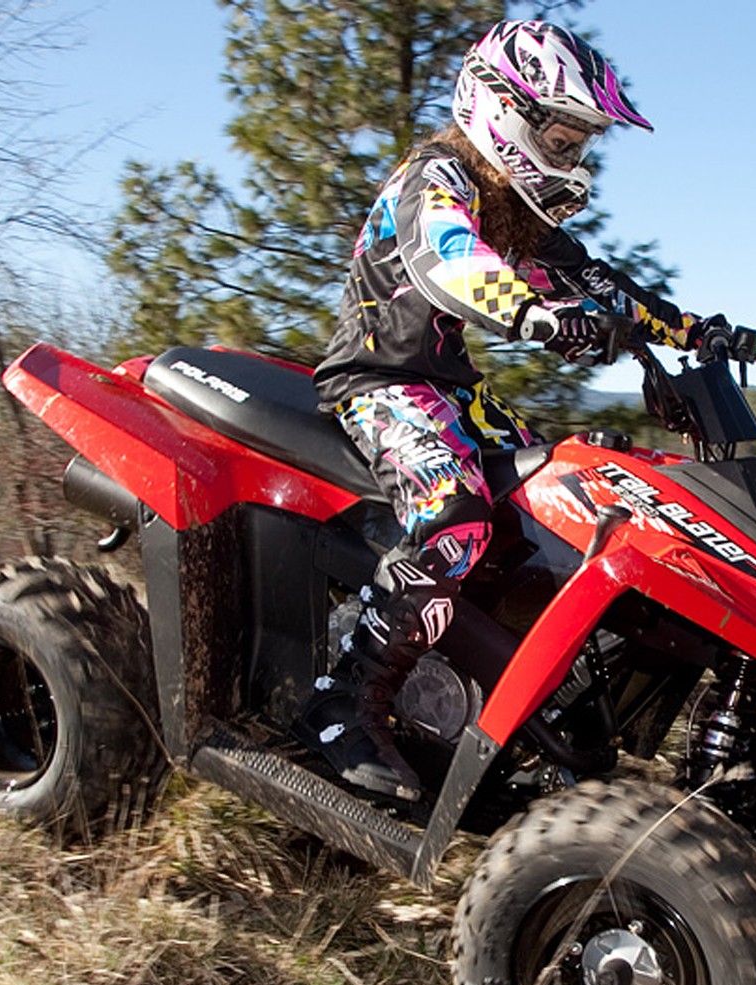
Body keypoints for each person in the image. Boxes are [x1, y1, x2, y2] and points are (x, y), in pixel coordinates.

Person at [300, 19, 728, 800]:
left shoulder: (513, 207)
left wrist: (694, 331)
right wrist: (536, 315)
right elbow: (450, 259)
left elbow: (601, 286)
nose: (571, 158)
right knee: (455, 514)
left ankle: (505, 703)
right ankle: (345, 700)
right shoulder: (434, 179)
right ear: (503, 110)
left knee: (563, 502)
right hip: (376, 379)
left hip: (450, 389)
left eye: (580, 143)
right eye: (561, 137)